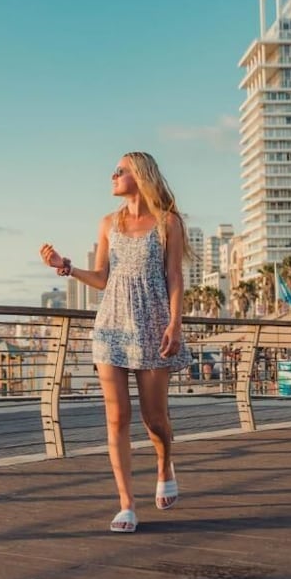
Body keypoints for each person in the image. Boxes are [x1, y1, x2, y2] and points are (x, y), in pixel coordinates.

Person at [39, 151, 191, 533]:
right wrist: (67, 267)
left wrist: (175, 323)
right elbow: (103, 278)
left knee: (155, 419)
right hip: (111, 327)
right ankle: (126, 504)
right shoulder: (108, 223)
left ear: (140, 175)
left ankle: (164, 464)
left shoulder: (168, 223)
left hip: (153, 324)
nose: (112, 175)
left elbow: (174, 276)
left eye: (120, 171)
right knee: (116, 416)